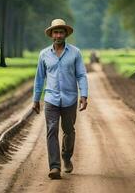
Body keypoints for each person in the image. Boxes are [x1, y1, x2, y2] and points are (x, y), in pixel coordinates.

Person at [32, 19, 88, 179]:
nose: (58, 35)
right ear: (51, 35)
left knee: (69, 131)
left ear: (65, 34)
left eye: (61, 32)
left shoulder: (75, 53)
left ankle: (66, 156)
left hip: (70, 99)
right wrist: (36, 99)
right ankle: (55, 167)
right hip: (51, 99)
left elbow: (81, 75)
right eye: (55, 32)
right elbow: (39, 78)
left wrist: (84, 95)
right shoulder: (44, 54)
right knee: (51, 131)